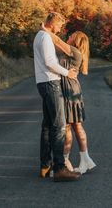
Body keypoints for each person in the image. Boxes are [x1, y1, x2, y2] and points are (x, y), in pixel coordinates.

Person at [33, 12, 81, 182]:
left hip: (43, 82)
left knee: (47, 125)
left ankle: (45, 165)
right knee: (59, 125)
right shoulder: (45, 38)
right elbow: (49, 62)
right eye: (60, 25)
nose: (60, 29)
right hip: (50, 83)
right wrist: (67, 73)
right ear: (53, 24)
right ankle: (60, 168)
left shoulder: (39, 36)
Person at [42, 26, 96, 174]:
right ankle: (81, 160)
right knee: (73, 127)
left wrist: (46, 30)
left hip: (70, 91)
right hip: (70, 90)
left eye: (71, 36)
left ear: (76, 40)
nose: (69, 37)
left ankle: (67, 161)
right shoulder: (69, 53)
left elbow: (58, 41)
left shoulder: (75, 52)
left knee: (69, 127)